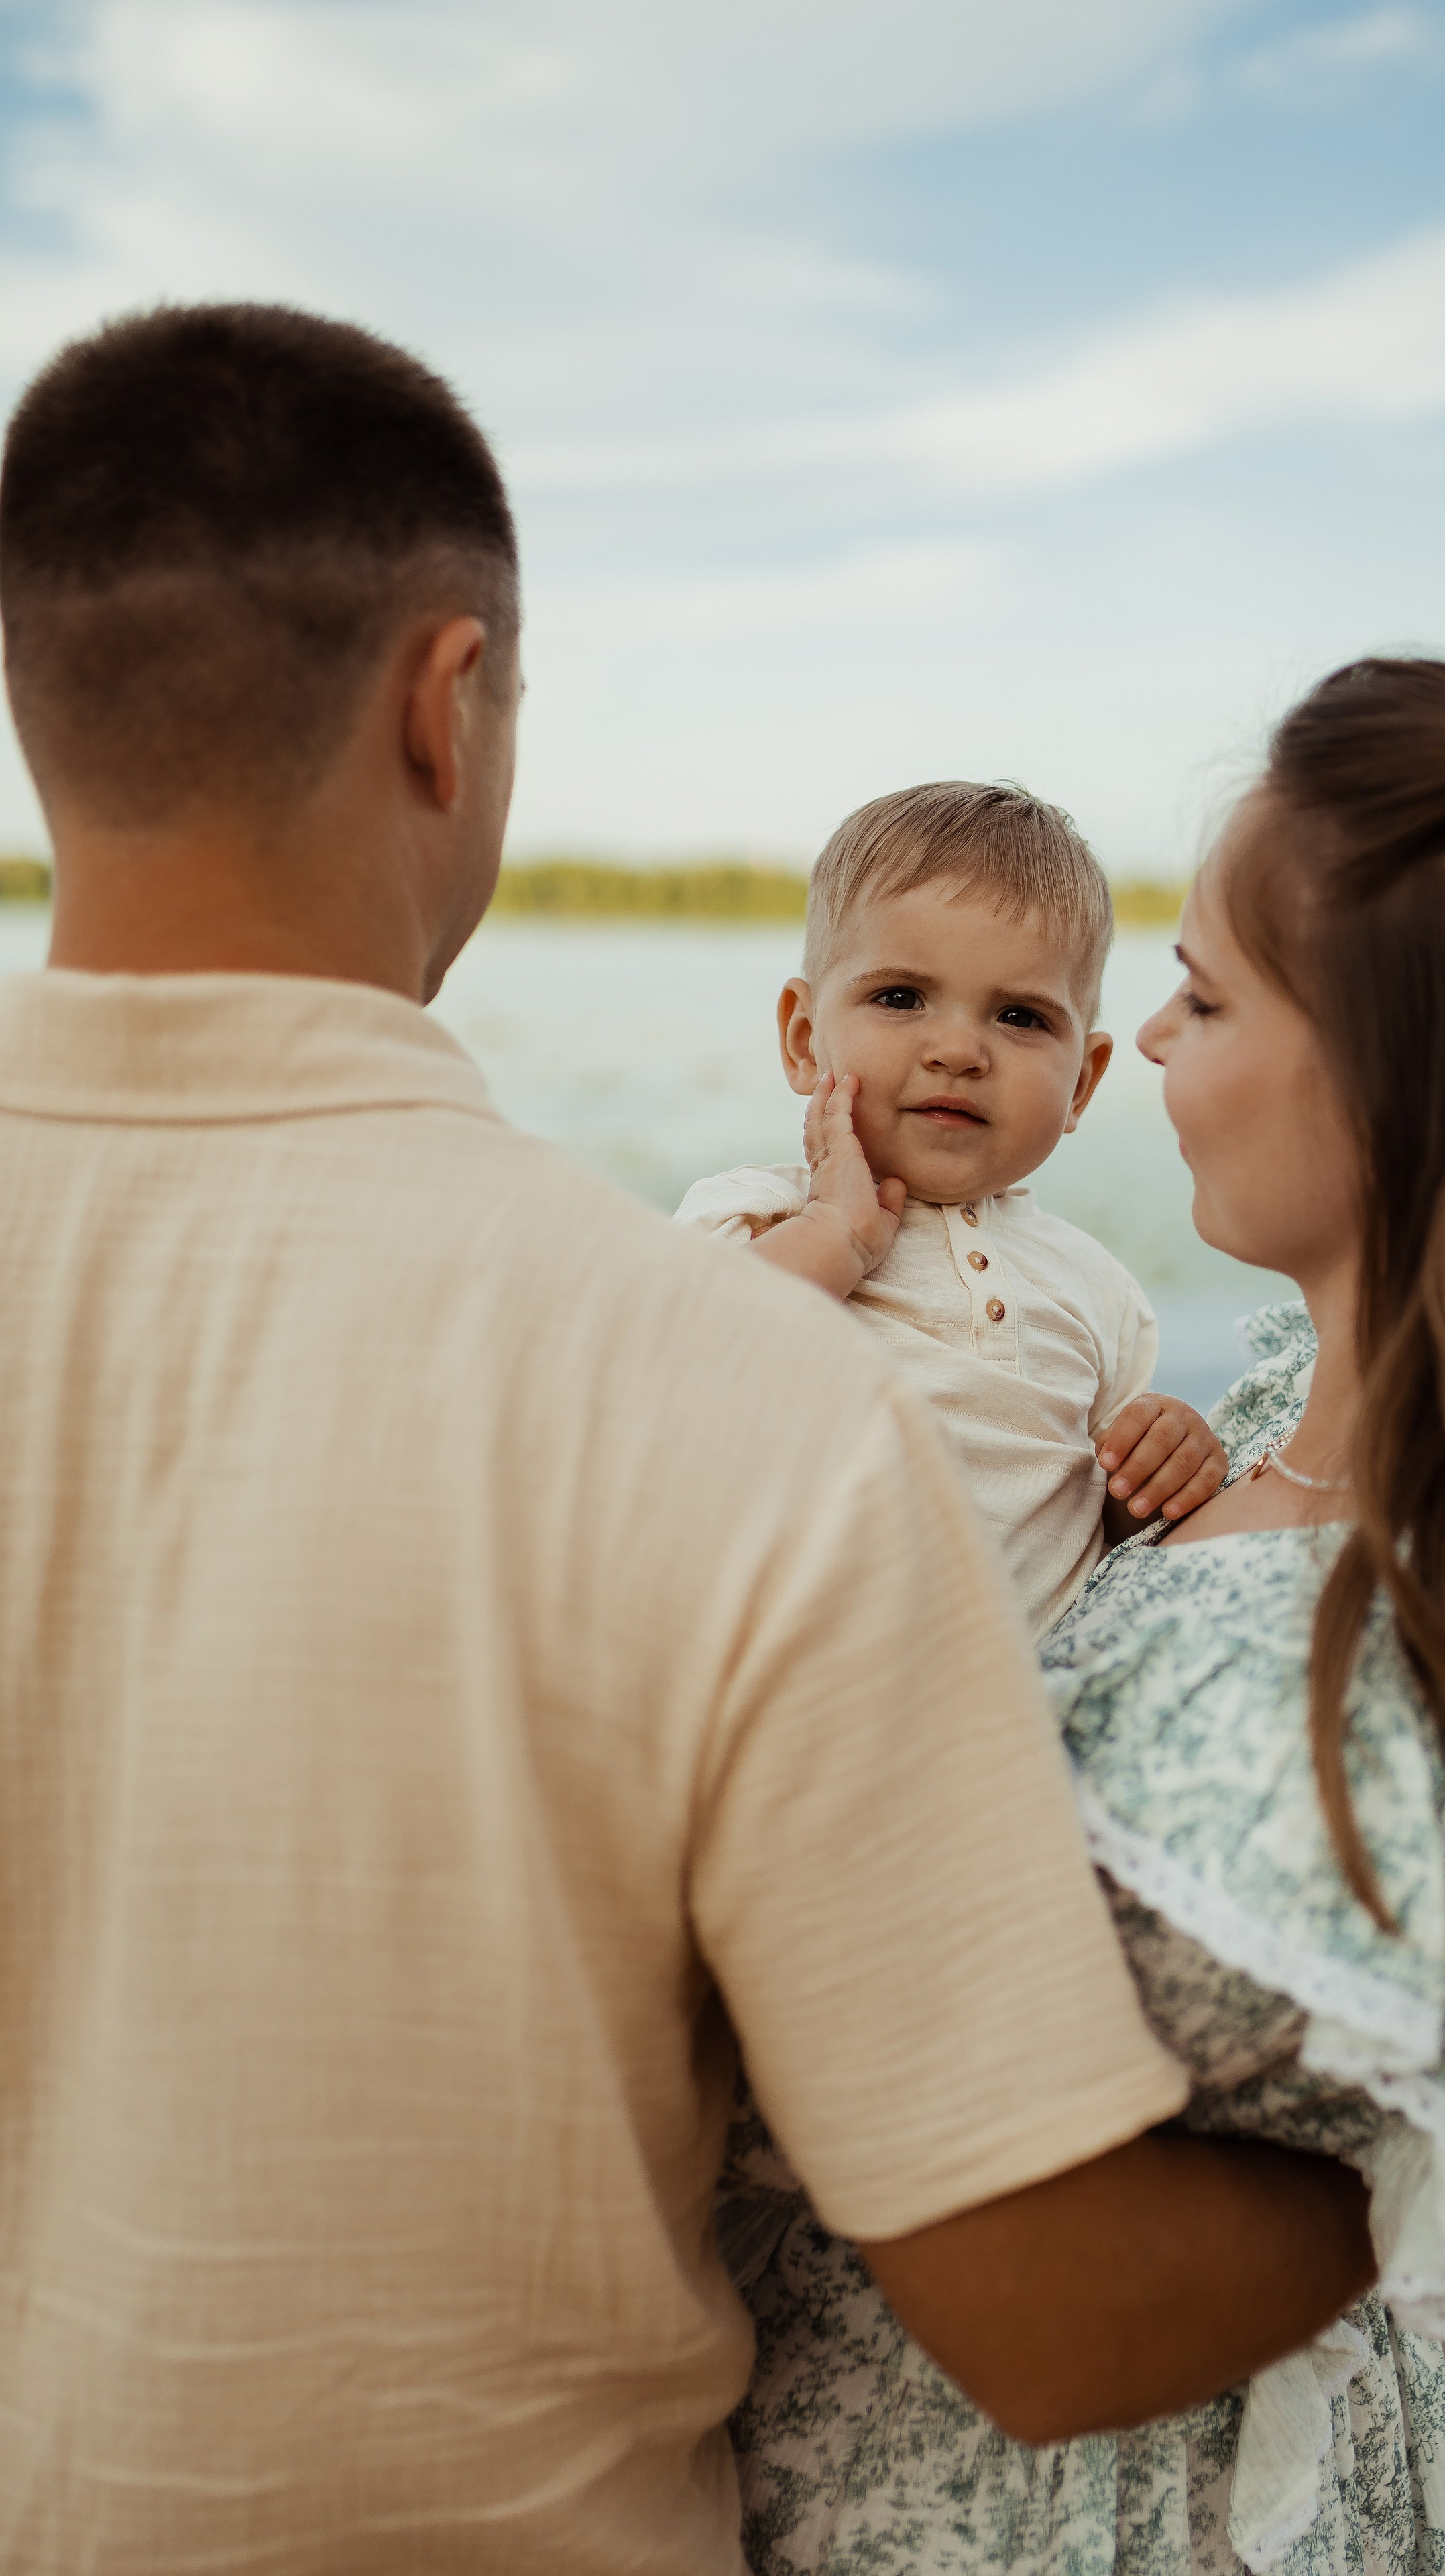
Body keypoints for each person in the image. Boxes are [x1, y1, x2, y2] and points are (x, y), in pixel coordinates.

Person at [0, 303, 1375, 2574]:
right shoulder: (715, 1374)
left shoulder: (763, 1326)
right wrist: (1432, 2146)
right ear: (447, 704)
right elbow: (1036, 2306)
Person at [721, 660, 1445, 2575]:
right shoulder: (1268, 1417)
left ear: (1401, 1069)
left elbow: (1039, 2313)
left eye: (1206, 993)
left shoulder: (1363, 1640)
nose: (1155, 1043)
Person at [674, 783, 1226, 1640]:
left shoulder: (1097, 1288)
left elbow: (1101, 1532)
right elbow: (670, 1363)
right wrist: (832, 1236)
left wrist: (1151, 1477)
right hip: (795, 1664)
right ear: (803, 1037)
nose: (960, 1050)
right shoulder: (760, 1215)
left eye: (1020, 1017)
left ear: (1081, 1083)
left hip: (1020, 1696)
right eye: (901, 997)